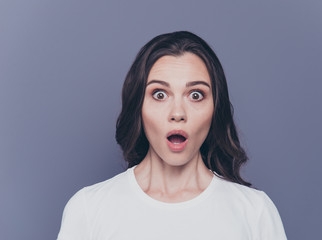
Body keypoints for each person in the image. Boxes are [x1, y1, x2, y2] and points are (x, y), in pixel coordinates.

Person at [57, 31, 287, 240]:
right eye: (159, 94)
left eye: (195, 95)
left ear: (215, 109)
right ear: (138, 106)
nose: (177, 113)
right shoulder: (88, 209)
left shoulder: (255, 212)